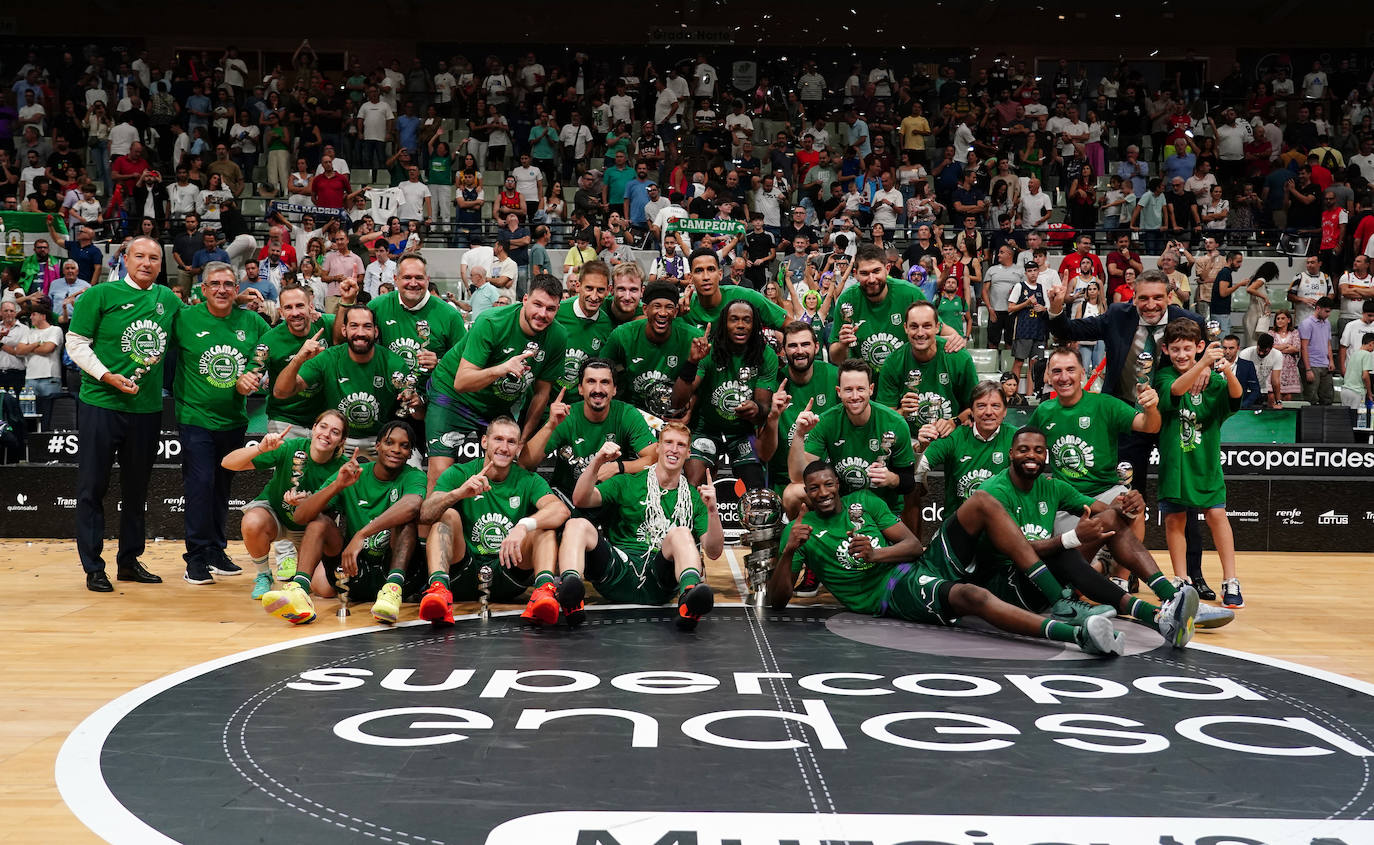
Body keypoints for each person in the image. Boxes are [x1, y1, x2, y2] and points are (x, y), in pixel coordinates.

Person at [767, 461, 1126, 657]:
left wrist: (877, 553)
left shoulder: (868, 503)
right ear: (807, 495)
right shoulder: (800, 531)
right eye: (814, 488)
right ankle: (1077, 635)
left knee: (983, 503)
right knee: (972, 596)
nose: (823, 493)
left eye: (828, 485)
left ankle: (1062, 602)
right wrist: (787, 553)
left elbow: (913, 546)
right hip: (892, 592)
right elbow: (778, 602)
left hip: (920, 564)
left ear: (838, 485)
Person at [975, 427, 1202, 644]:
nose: (1031, 455)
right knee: (1062, 552)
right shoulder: (995, 492)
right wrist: (1072, 537)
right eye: (1023, 449)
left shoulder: (1052, 487)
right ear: (1011, 453)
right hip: (1009, 588)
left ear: (1047, 455)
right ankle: (1155, 613)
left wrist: (1129, 505)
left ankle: (1168, 601)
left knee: (1108, 522)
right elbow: (1018, 550)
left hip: (1048, 579)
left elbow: (1109, 513)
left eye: (1038, 450)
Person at [66, 235, 180, 592]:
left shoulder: (167, 299)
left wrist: (233, 299)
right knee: (92, 487)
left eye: (154, 258)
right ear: (126, 259)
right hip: (101, 403)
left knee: (137, 489)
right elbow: (76, 343)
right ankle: (93, 566)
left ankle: (129, 561)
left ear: (161, 265)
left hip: (146, 408)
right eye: (140, 256)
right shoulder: (100, 294)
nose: (147, 263)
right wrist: (107, 376)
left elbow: (197, 320)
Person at [555, 422, 723, 630]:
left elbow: (714, 551)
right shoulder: (628, 482)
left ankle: (689, 601)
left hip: (659, 580)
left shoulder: (694, 498)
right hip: (618, 570)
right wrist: (597, 461)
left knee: (680, 533)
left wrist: (713, 511)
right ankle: (571, 597)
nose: (673, 449)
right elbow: (580, 499)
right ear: (658, 448)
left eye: (680, 445)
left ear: (688, 453)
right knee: (576, 524)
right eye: (668, 442)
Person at [419, 416, 569, 626]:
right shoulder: (460, 473)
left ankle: (543, 592)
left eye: (511, 442)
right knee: (446, 515)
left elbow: (560, 510)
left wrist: (524, 525)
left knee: (543, 527)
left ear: (518, 447)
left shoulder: (528, 479)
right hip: (465, 569)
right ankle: (438, 589)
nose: (504, 447)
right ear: (484, 442)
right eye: (498, 439)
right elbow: (425, 514)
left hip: (507, 569)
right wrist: (459, 494)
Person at [171, 261, 267, 585]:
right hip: (194, 417)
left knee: (221, 488)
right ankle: (195, 558)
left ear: (237, 290)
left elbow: (268, 353)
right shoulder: (183, 319)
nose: (222, 289)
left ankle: (215, 550)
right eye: (215, 284)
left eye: (229, 284)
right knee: (200, 485)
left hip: (233, 420)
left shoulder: (252, 322)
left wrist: (253, 374)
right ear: (203, 289)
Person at [426, 273, 568, 489]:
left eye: (550, 309)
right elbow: (462, 382)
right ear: (525, 300)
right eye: (537, 304)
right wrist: (502, 368)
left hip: (496, 405)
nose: (542, 314)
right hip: (453, 396)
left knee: (509, 472)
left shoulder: (558, 336)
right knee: (440, 475)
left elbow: (541, 394)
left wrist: (523, 439)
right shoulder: (492, 321)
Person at [279, 421, 425, 624]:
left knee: (405, 520)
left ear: (410, 454)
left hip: (395, 569)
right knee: (318, 522)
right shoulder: (355, 473)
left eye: (404, 446)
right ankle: (299, 592)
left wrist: (361, 534)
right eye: (389, 442)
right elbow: (300, 516)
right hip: (353, 569)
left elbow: (412, 505)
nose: (396, 450)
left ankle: (392, 591)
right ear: (377, 446)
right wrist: (337, 485)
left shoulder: (414, 475)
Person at [1157, 319, 1244, 608]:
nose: (1181, 354)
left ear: (1200, 346)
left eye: (1188, 349)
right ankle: (1181, 579)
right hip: (1175, 464)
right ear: (1166, 350)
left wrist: (1226, 371)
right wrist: (1201, 364)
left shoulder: (1213, 380)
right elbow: (1175, 392)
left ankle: (1230, 580)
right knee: (1174, 520)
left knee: (1217, 516)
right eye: (1175, 349)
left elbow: (1235, 398)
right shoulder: (1163, 376)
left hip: (1206, 463)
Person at [221, 410, 348, 601]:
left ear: (341, 441)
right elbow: (228, 463)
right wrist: (260, 449)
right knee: (253, 521)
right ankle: (263, 575)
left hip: (310, 530)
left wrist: (308, 505)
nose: (326, 434)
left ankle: (301, 577)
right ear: (314, 428)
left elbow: (328, 512)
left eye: (335, 432)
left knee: (324, 590)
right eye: (323, 426)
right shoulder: (291, 447)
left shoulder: (342, 468)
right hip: (276, 515)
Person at [789, 359, 918, 531]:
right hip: (840, 504)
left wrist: (891, 478)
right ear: (839, 392)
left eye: (860, 389)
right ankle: (808, 546)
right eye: (848, 390)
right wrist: (799, 434)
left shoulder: (895, 423)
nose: (855, 396)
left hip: (882, 507)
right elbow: (798, 477)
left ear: (871, 390)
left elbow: (909, 483)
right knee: (791, 494)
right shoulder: (827, 421)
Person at [273, 304, 418, 454]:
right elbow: (281, 392)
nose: (360, 333)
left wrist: (414, 401)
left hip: (380, 439)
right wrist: (298, 359)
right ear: (344, 330)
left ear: (375, 331)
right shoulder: (329, 357)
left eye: (367, 327)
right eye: (354, 326)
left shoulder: (393, 362)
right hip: (339, 439)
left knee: (414, 470)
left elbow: (416, 411)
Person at [669, 298, 777, 489]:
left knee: (755, 488)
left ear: (754, 325)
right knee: (693, 482)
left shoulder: (765, 355)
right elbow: (677, 401)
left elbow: (764, 408)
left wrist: (756, 409)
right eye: (734, 319)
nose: (741, 325)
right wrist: (692, 362)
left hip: (742, 433)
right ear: (724, 324)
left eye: (747, 320)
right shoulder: (708, 351)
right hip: (707, 429)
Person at [519, 358, 658, 504]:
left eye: (605, 382)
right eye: (591, 381)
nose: (598, 389)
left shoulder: (626, 414)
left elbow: (654, 459)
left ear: (614, 389)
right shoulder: (566, 416)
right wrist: (550, 426)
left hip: (609, 498)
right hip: (567, 497)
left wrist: (619, 467)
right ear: (580, 388)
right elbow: (525, 463)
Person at [678, 247, 789, 333]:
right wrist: (676, 315)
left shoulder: (746, 296)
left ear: (720, 274)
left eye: (711, 269)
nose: (706, 277)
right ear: (691, 278)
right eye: (699, 271)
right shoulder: (682, 307)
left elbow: (788, 323)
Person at [553, 261, 614, 403]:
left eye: (600, 290)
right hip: (546, 403)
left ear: (608, 290)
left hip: (581, 407)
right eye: (589, 288)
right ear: (578, 286)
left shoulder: (606, 324)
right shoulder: (557, 312)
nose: (594, 296)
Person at [6, 296, 62, 427]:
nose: (31, 317)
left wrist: (28, 348)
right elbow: (19, 351)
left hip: (50, 378)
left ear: (43, 316)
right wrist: (37, 343)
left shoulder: (55, 330)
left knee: (50, 414)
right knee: (28, 417)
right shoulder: (29, 332)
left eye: (34, 314)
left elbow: (48, 349)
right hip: (31, 378)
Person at [1298, 296, 1336, 405]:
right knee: (1311, 398)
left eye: (1330, 312)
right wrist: (1308, 369)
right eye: (1326, 311)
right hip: (1312, 364)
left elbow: (1328, 343)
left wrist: (1331, 361)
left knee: (1328, 397)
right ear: (1318, 308)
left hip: (1325, 364)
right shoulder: (1306, 324)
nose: (1328, 314)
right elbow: (1304, 347)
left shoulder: (1327, 323)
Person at [1239, 332, 1285, 409]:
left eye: (1265, 351)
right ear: (1257, 345)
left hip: (1262, 391)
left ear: (1271, 347)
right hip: (1245, 391)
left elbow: (1275, 381)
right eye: (1259, 349)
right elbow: (1241, 379)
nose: (1261, 353)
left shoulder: (1277, 355)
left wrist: (1278, 401)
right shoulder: (1245, 354)